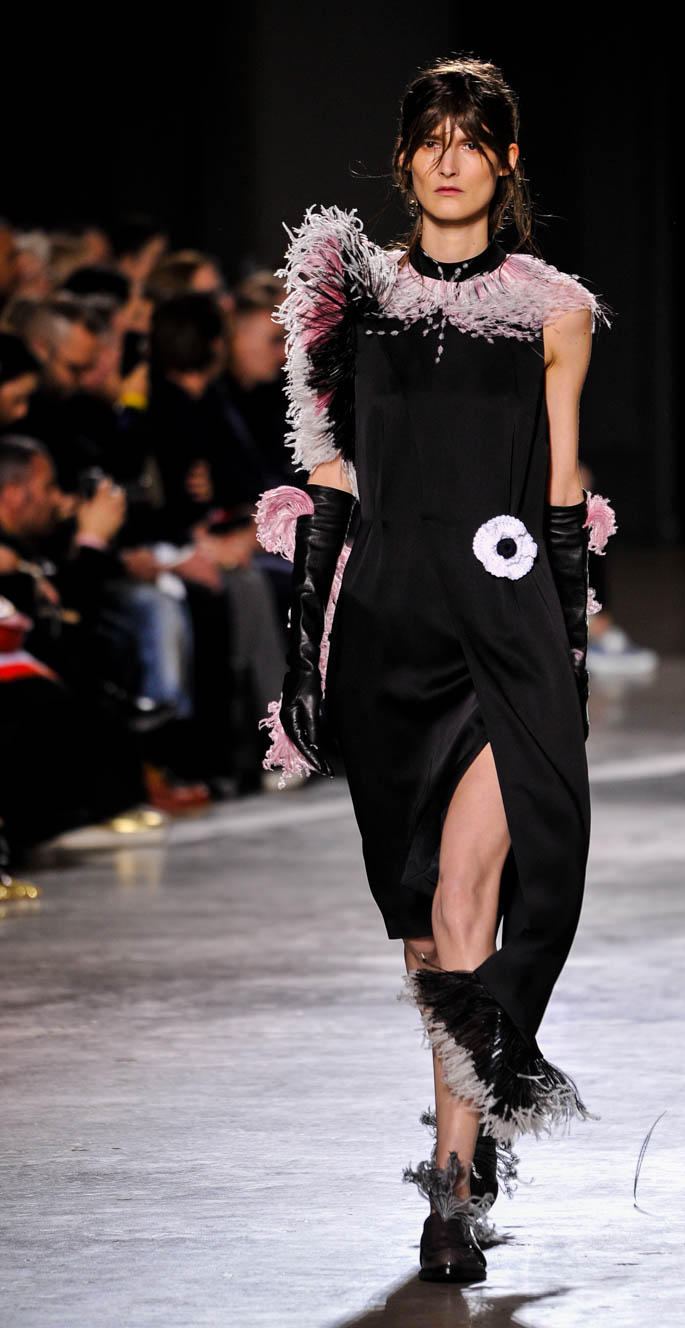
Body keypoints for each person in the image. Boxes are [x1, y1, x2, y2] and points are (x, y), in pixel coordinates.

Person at [258, 56, 616, 1282]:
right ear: (404, 157)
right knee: (421, 929)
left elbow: (560, 495)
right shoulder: (347, 299)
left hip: (503, 635)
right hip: (387, 636)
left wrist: (566, 656)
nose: (449, 158)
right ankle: (472, 1111)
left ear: (505, 162)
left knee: (472, 902)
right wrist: (303, 652)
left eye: (472, 139)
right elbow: (328, 481)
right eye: (430, 138)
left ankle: (451, 1188)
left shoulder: (553, 310)